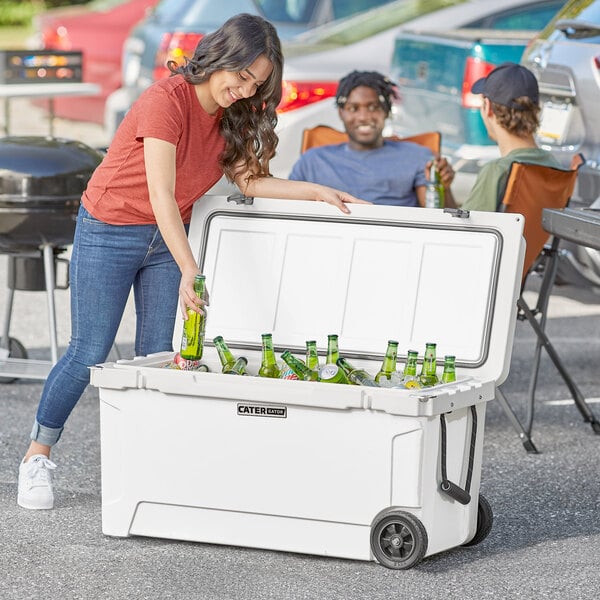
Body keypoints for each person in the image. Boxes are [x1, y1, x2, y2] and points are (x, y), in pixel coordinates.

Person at [17, 13, 367, 511]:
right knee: (89, 351)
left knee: (158, 355)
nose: (245, 90)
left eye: (257, 84)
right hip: (110, 228)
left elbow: (248, 180)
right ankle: (36, 456)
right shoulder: (167, 100)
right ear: (220, 56)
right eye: (241, 76)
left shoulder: (234, 116)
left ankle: (145, 466)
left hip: (166, 240)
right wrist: (191, 267)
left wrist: (312, 191)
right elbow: (160, 192)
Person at [288, 70, 457, 208]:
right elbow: (285, 212)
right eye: (353, 108)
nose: (363, 117)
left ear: (386, 111)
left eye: (373, 107)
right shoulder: (312, 160)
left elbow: (438, 220)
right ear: (341, 113)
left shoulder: (419, 157)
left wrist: (445, 188)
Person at [462, 62, 562, 212]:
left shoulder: (497, 172)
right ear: (535, 109)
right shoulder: (555, 166)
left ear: (488, 107)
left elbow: (466, 232)